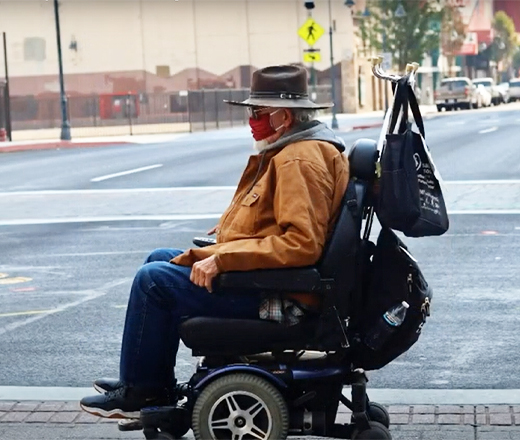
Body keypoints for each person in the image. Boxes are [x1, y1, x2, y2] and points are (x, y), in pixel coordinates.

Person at [80, 64, 350, 419]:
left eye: (258, 112)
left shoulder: (297, 160)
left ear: (284, 117)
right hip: (278, 282)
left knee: (153, 282)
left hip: (283, 297)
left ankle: (142, 393)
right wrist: (226, 240)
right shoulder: (296, 151)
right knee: (159, 258)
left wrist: (222, 260)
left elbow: (301, 244)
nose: (252, 120)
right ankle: (148, 382)